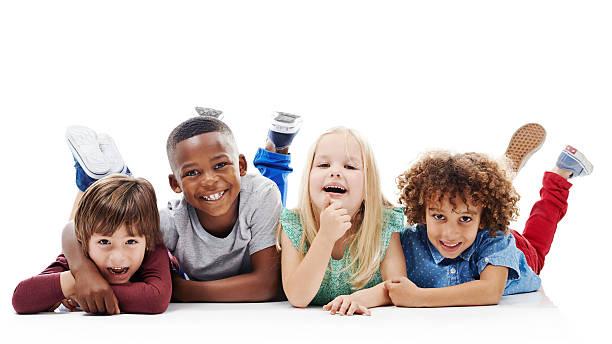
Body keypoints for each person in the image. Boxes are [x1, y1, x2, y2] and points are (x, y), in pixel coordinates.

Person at [60, 110, 301, 313]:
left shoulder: (260, 194)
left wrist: (185, 290)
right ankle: (112, 178)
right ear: (175, 184)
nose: (209, 180)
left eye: (220, 165)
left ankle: (276, 145)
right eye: (192, 173)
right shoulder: (173, 221)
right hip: (230, 198)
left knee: (273, 186)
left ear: (241, 166)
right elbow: (73, 229)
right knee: (126, 216)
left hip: (254, 196)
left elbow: (267, 286)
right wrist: (83, 272)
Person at [386, 127, 593, 307]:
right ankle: (497, 178)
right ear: (422, 214)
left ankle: (560, 174)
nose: (450, 233)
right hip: (478, 227)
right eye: (439, 216)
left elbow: (490, 291)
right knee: (469, 196)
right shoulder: (408, 241)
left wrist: (420, 297)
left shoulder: (495, 237)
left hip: (509, 248)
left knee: (540, 231)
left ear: (483, 220)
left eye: (464, 219)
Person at [279, 126, 407, 316]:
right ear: (307, 177)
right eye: (323, 165)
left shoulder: (385, 224)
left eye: (350, 167)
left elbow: (398, 287)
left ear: (367, 185)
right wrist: (325, 237)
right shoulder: (294, 224)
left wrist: (358, 299)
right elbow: (298, 297)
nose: (335, 172)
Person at [12, 175, 171, 314]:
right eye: (104, 242)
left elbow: (155, 298)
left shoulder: (151, 245)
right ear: (83, 241)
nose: (117, 257)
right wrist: (81, 276)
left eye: (130, 242)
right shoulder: (79, 254)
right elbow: (21, 298)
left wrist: (79, 288)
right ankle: (88, 177)